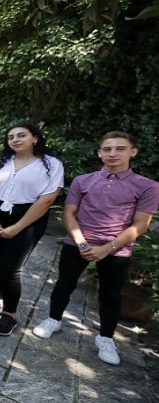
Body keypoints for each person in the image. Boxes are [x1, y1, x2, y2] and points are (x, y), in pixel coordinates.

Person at [32, 131, 158, 365]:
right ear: (100, 153)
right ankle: (53, 319)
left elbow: (140, 224)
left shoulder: (147, 186)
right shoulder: (83, 180)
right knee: (64, 284)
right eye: (107, 149)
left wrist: (108, 247)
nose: (113, 153)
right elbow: (69, 214)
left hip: (117, 249)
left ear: (133, 152)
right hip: (78, 243)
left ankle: (106, 338)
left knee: (110, 295)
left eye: (120, 149)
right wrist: (81, 242)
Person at [0, 123, 63, 335]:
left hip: (28, 220)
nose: (15, 140)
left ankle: (10, 314)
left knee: (11, 268)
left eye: (21, 135)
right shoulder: (1, 161)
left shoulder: (51, 165)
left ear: (35, 138)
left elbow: (47, 200)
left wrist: (17, 227)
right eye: (11, 137)